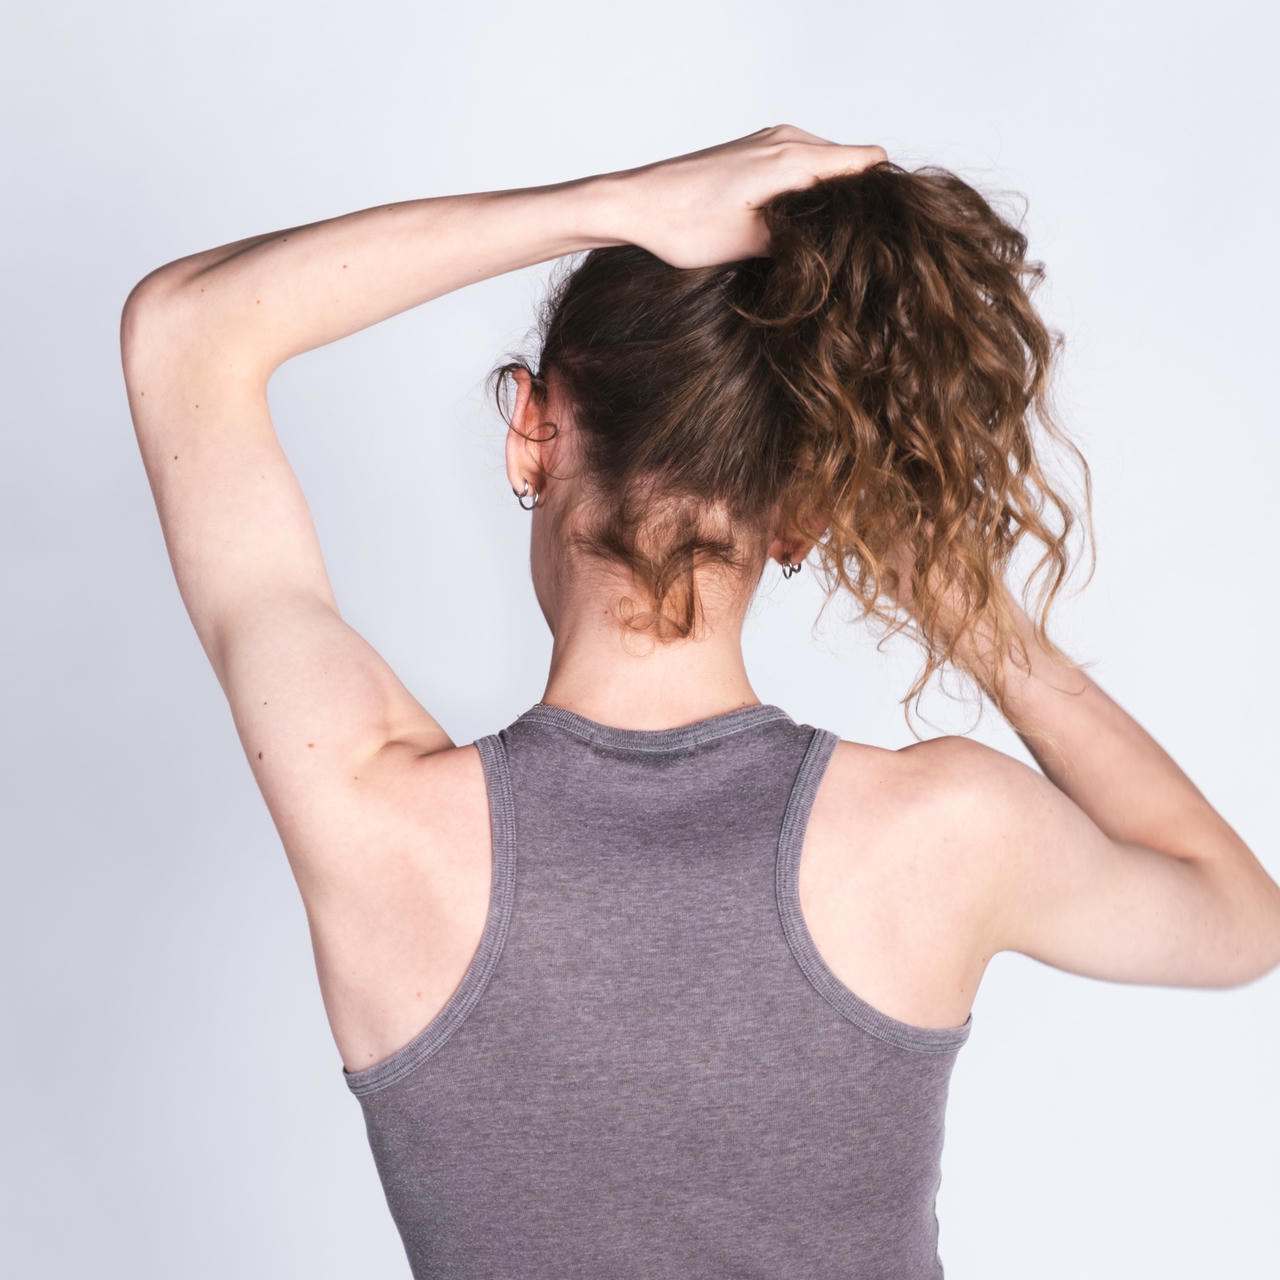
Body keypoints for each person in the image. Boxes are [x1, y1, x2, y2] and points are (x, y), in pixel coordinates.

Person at [119, 125, 1280, 1278]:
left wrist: (610, 202)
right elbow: (1237, 917)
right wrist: (962, 604)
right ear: (802, 517)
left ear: (531, 426)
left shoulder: (374, 817)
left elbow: (183, 334)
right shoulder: (944, 832)